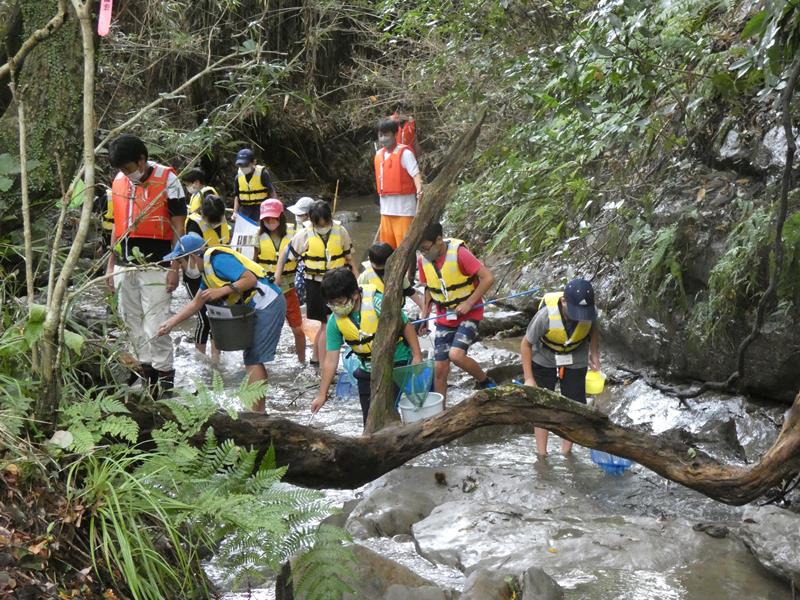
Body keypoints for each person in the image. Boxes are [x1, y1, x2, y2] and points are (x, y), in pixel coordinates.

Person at [157, 233, 286, 412]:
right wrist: (170, 323)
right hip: (255, 306)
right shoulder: (207, 273)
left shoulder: (218, 260)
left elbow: (250, 279)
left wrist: (223, 291)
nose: (180, 268)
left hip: (268, 302)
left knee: (253, 358)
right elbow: (196, 303)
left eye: (180, 262)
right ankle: (256, 409)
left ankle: (257, 412)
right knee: (251, 357)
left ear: (193, 257)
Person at [105, 134, 186, 397]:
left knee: (157, 324)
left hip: (157, 265)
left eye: (129, 168)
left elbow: (178, 226)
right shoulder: (119, 180)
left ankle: (165, 383)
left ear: (141, 159)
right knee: (131, 322)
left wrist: (175, 267)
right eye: (121, 170)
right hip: (125, 265)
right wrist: (110, 265)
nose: (126, 174)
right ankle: (146, 377)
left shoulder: (168, 180)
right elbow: (117, 225)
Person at [310, 267, 423, 425]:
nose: (337, 307)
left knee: (385, 412)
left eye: (340, 302)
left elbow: (405, 324)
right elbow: (330, 360)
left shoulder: (377, 303)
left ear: (355, 295)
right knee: (369, 420)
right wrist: (322, 394)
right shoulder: (334, 322)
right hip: (366, 368)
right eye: (332, 304)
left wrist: (417, 355)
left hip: (396, 361)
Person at [520, 279, 600, 457]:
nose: (579, 317)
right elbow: (526, 345)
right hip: (545, 355)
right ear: (564, 301)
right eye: (574, 312)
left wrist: (594, 353)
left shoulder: (590, 312)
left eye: (582, 313)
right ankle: (542, 454)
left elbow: (593, 330)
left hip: (575, 354)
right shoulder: (545, 316)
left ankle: (566, 452)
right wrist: (528, 378)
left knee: (574, 403)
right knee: (542, 403)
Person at [417, 222, 496, 402]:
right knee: (439, 367)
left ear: (439, 240)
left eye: (426, 248)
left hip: (469, 313)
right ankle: (439, 410)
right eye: (421, 250)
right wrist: (424, 318)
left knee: (456, 355)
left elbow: (488, 278)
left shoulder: (459, 253)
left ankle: (485, 381)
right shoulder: (423, 260)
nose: (424, 253)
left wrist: (469, 303)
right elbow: (429, 290)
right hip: (445, 317)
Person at [274, 200, 356, 366]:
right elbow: (285, 253)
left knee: (326, 324)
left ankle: (316, 359)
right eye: (319, 225)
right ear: (312, 221)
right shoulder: (305, 234)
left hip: (337, 283)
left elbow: (349, 258)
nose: (322, 227)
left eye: (325, 224)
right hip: (316, 284)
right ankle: (325, 366)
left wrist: (357, 280)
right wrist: (278, 275)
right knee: (328, 324)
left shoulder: (340, 232)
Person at [257, 198, 305, 364]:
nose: (270, 222)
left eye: (273, 218)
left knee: (298, 329)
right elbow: (251, 264)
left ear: (281, 217)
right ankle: (262, 362)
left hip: (289, 289)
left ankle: (302, 361)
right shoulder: (257, 236)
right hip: (266, 290)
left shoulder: (294, 234)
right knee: (263, 329)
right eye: (266, 219)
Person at [184, 194, 231, 359]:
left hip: (219, 275)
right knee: (204, 317)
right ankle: (200, 359)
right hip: (197, 275)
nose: (215, 222)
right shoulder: (194, 223)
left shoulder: (221, 218)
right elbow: (189, 251)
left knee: (219, 315)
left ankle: (216, 359)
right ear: (204, 214)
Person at [374, 119, 423, 249]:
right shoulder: (379, 154)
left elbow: (415, 174)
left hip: (404, 210)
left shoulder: (405, 154)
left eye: (386, 135)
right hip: (386, 210)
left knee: (405, 247)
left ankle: (410, 270)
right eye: (380, 135)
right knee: (387, 248)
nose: (383, 138)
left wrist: (419, 190)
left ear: (395, 134)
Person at [358, 242, 424, 311]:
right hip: (376, 310)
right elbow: (358, 293)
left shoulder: (396, 272)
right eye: (379, 266)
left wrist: (422, 305)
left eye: (385, 266)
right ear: (371, 261)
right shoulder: (366, 276)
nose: (383, 270)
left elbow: (408, 290)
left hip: (396, 308)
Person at [232, 148, 277, 222]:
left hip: (262, 210)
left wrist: (275, 211)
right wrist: (235, 212)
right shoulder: (238, 177)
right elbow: (237, 196)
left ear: (254, 162)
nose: (243, 168)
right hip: (245, 211)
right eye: (240, 165)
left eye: (246, 165)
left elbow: (272, 192)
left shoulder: (263, 174)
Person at [286, 196, 316, 304]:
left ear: (309, 215)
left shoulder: (316, 229)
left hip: (310, 265)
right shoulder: (299, 227)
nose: (296, 217)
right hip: (298, 262)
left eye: (299, 214)